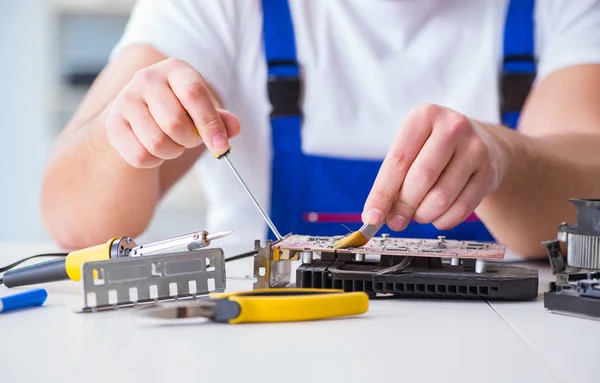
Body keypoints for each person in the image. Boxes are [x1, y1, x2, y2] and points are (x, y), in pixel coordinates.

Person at [40, 0, 600, 259]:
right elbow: (72, 221)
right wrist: (124, 136)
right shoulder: (218, 7)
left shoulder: (562, 8)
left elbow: (589, 201)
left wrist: (504, 157)